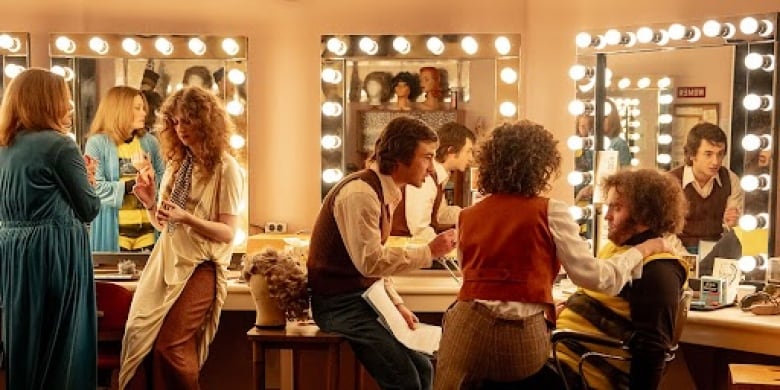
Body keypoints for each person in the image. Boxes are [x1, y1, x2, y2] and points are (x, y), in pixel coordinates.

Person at [434, 121, 670, 389]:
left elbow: (477, 277)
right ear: (541, 165)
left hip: (467, 330)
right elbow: (601, 279)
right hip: (519, 341)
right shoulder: (550, 211)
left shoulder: (468, 215)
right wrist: (641, 250)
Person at [307, 116, 458, 390]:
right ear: (401, 157)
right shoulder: (360, 194)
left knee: (423, 368)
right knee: (405, 379)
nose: (431, 168)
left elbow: (377, 259)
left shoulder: (386, 192)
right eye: (427, 157)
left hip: (363, 300)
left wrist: (396, 303)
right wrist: (428, 252)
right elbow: (370, 262)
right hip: (338, 306)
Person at [119, 86, 243, 389]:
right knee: (139, 340)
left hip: (201, 265)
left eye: (187, 121)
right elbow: (166, 226)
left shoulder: (226, 169)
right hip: (166, 260)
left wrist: (186, 217)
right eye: (175, 122)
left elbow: (228, 232)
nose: (181, 129)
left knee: (170, 347)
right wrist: (150, 203)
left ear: (206, 121)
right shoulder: (178, 165)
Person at [0, 68, 100, 389]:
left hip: (13, 253)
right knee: (63, 348)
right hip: (54, 251)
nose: (70, 106)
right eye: (65, 99)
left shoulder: (4, 148)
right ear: (47, 102)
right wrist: (89, 181)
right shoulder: (60, 147)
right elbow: (89, 208)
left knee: (25, 341)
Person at [555, 168, 689, 390]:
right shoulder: (615, 250)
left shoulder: (658, 268)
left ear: (645, 214)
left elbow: (652, 349)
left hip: (578, 375)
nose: (607, 216)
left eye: (616, 208)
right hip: (561, 361)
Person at [85, 86, 165, 252]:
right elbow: (96, 188)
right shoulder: (97, 143)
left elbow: (165, 186)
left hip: (149, 231)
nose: (144, 113)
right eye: (137, 108)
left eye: (143, 108)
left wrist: (151, 177)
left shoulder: (150, 143)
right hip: (114, 231)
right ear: (119, 109)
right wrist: (133, 186)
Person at [391, 122, 475, 240]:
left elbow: (440, 215)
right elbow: (418, 228)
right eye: (468, 151)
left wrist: (474, 214)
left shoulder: (437, 177)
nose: (471, 158)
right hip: (400, 248)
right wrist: (447, 245)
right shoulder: (426, 177)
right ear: (451, 151)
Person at [668, 122, 743, 253]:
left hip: (717, 249)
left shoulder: (730, 179)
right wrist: (686, 259)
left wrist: (732, 223)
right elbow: (665, 233)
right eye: (708, 154)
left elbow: (733, 227)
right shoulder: (670, 182)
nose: (716, 161)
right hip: (677, 250)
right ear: (692, 154)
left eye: (720, 154)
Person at [604, 98, 631, 167]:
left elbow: (624, 174)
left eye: (605, 117)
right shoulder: (589, 143)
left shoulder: (618, 144)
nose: (600, 121)